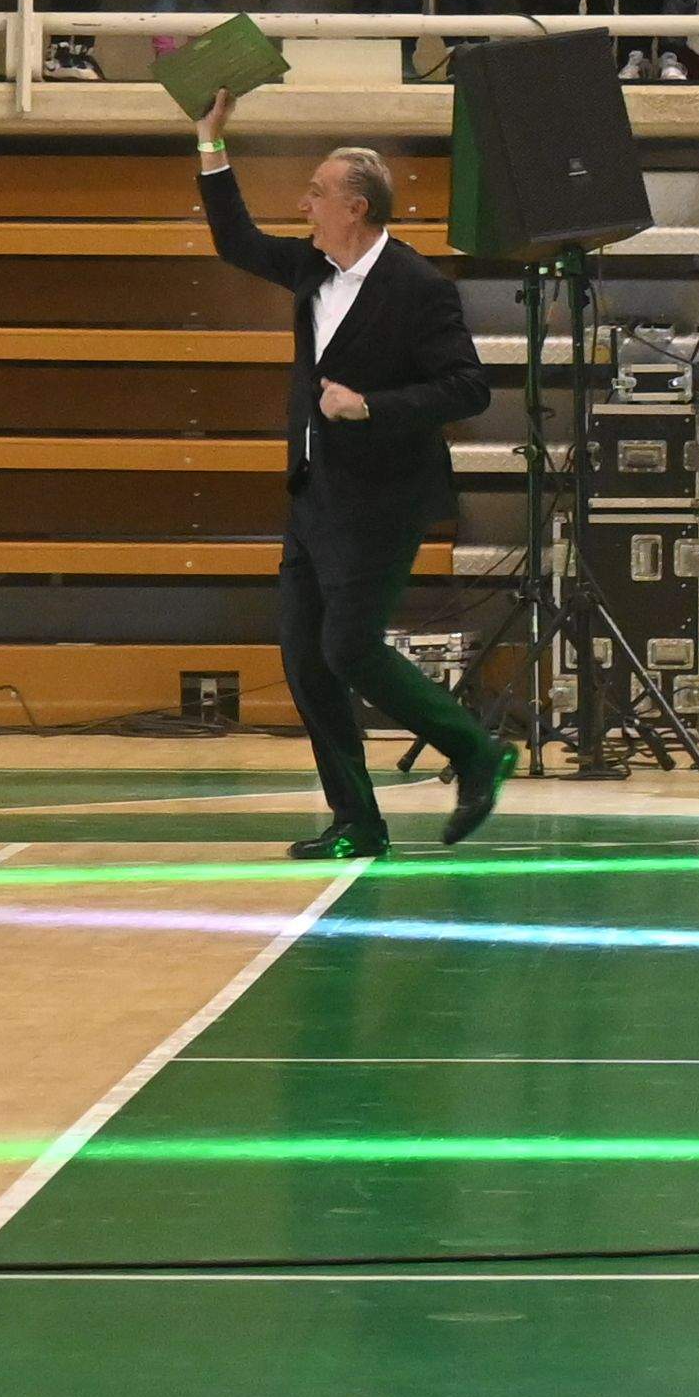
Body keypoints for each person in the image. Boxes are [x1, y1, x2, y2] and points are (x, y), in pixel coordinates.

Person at [189, 106, 511, 858]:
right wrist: (210, 139)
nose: (304, 204)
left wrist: (370, 406)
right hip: (315, 495)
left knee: (349, 648)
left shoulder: (419, 287)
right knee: (306, 661)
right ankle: (358, 820)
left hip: (384, 498)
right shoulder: (312, 266)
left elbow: (469, 388)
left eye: (316, 192)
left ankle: (475, 750)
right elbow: (235, 239)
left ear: (355, 207)